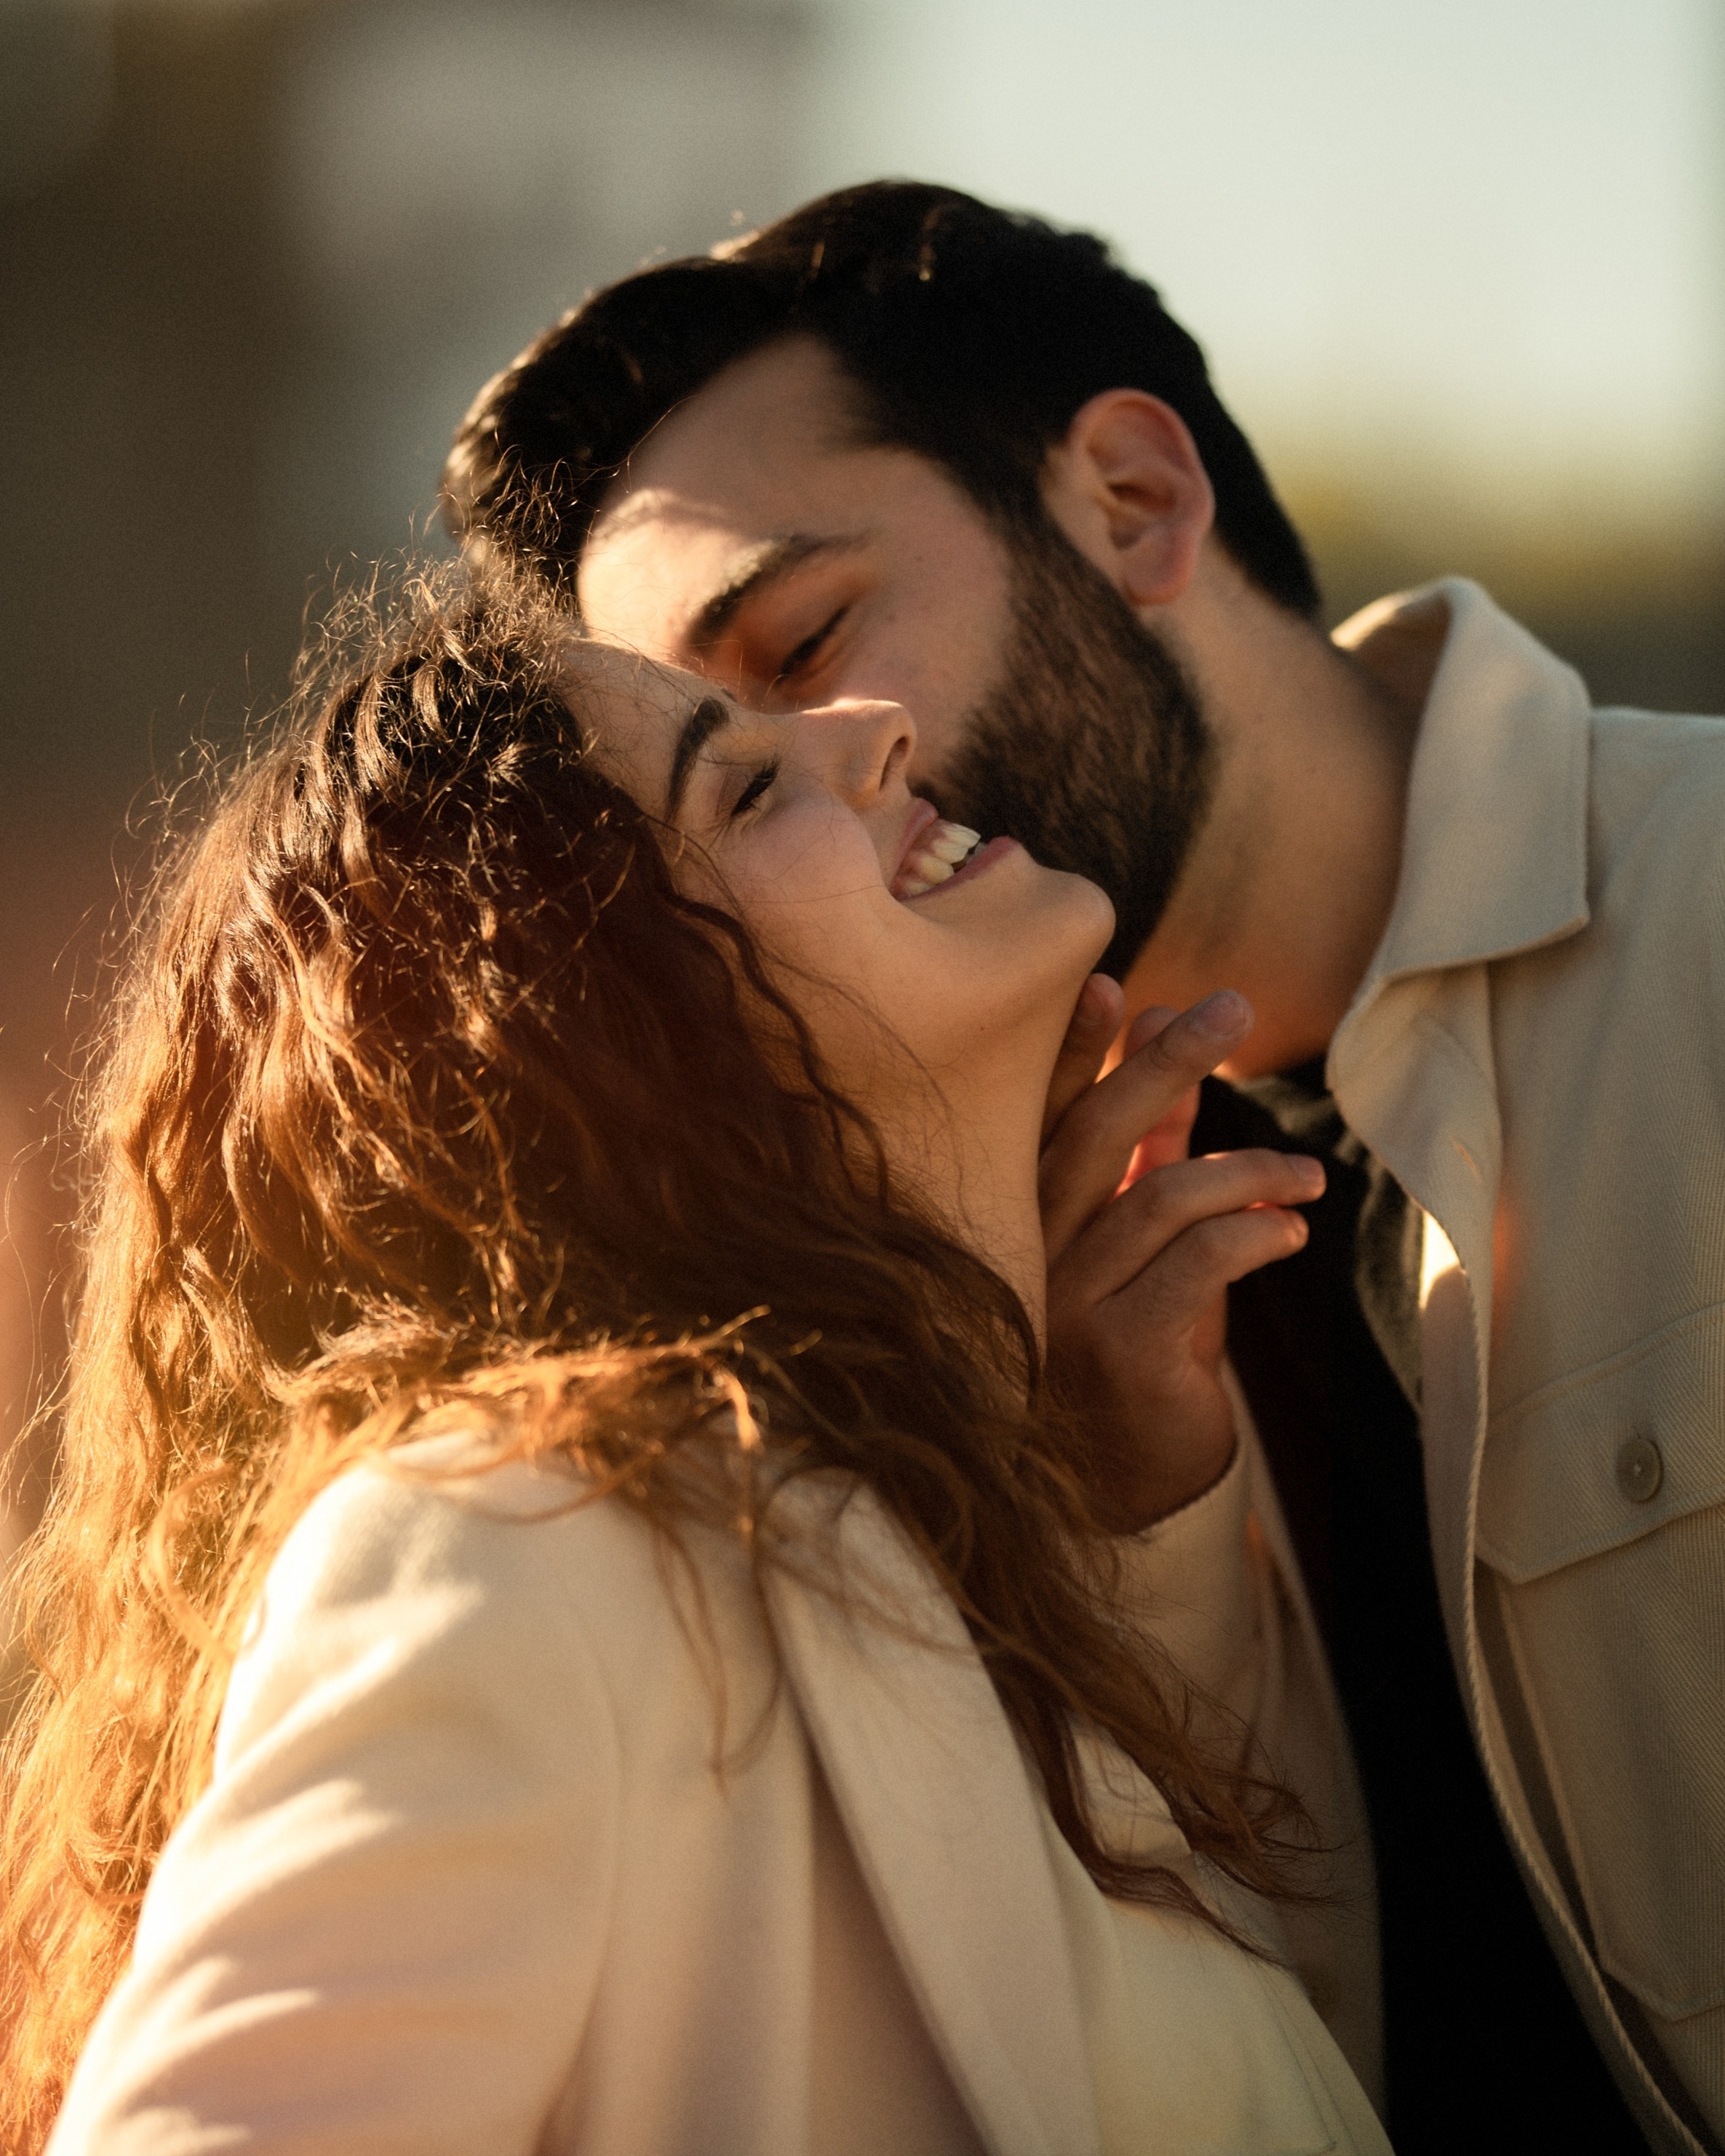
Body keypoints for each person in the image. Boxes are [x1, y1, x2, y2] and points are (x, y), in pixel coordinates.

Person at [441, 180, 1725, 2156]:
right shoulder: (965, 1282)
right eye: (730, 780)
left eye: (808, 640)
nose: (819, 808)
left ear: (1133, 499)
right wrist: (1136, 1514)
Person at [1, 567, 1391, 2154]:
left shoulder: (996, 1552)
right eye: (740, 781)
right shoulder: (523, 1543)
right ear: (598, 1044)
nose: (874, 727)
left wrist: (1126, 1507)